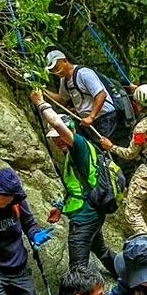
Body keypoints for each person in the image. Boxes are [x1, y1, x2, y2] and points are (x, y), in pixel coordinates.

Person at [30, 89, 117, 275]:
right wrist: (61, 207)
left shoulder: (78, 146)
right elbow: (76, 186)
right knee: (100, 249)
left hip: (86, 217)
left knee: (78, 266)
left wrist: (40, 102)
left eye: (59, 137)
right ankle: (125, 274)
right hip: (90, 212)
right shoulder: (72, 154)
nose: (57, 141)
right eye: (54, 139)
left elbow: (56, 123)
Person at [99, 84, 147, 237]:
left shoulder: (142, 128)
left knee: (131, 212)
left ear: (138, 104)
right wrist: (139, 90)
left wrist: (111, 147)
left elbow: (130, 154)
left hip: (145, 173)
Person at [45, 49, 120, 141]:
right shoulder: (64, 81)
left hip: (105, 118)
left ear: (65, 61)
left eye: (57, 67)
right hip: (88, 122)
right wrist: (43, 91)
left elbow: (101, 94)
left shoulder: (83, 73)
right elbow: (62, 100)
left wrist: (91, 117)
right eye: (53, 70)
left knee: (105, 148)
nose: (56, 71)